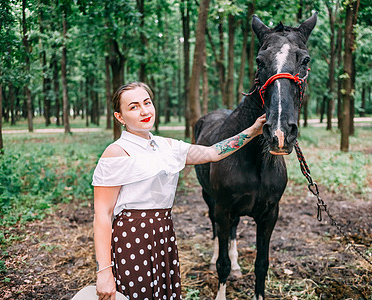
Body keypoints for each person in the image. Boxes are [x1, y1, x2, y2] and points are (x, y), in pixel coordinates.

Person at [92, 82, 266, 300]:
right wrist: (104, 272)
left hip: (164, 235)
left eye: (147, 103)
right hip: (132, 238)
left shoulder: (166, 146)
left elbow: (213, 153)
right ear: (120, 117)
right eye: (134, 107)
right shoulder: (116, 152)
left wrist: (252, 131)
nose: (144, 111)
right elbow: (103, 215)